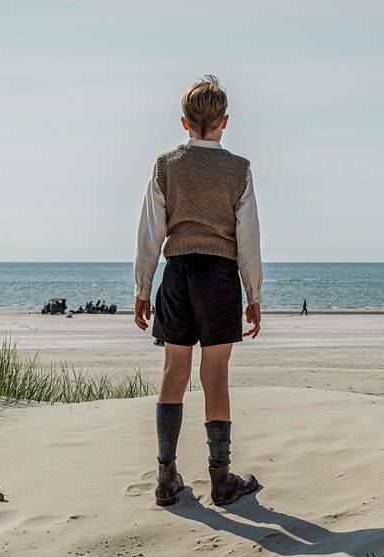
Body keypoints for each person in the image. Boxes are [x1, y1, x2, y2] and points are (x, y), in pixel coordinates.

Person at [133, 74, 263, 508]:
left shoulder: (165, 165)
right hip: (220, 275)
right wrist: (254, 295)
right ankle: (221, 479)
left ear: (184, 122)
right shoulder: (238, 169)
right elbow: (249, 239)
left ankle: (166, 477)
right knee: (215, 376)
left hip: (177, 272)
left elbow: (150, 234)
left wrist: (142, 289)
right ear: (224, 122)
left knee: (174, 371)